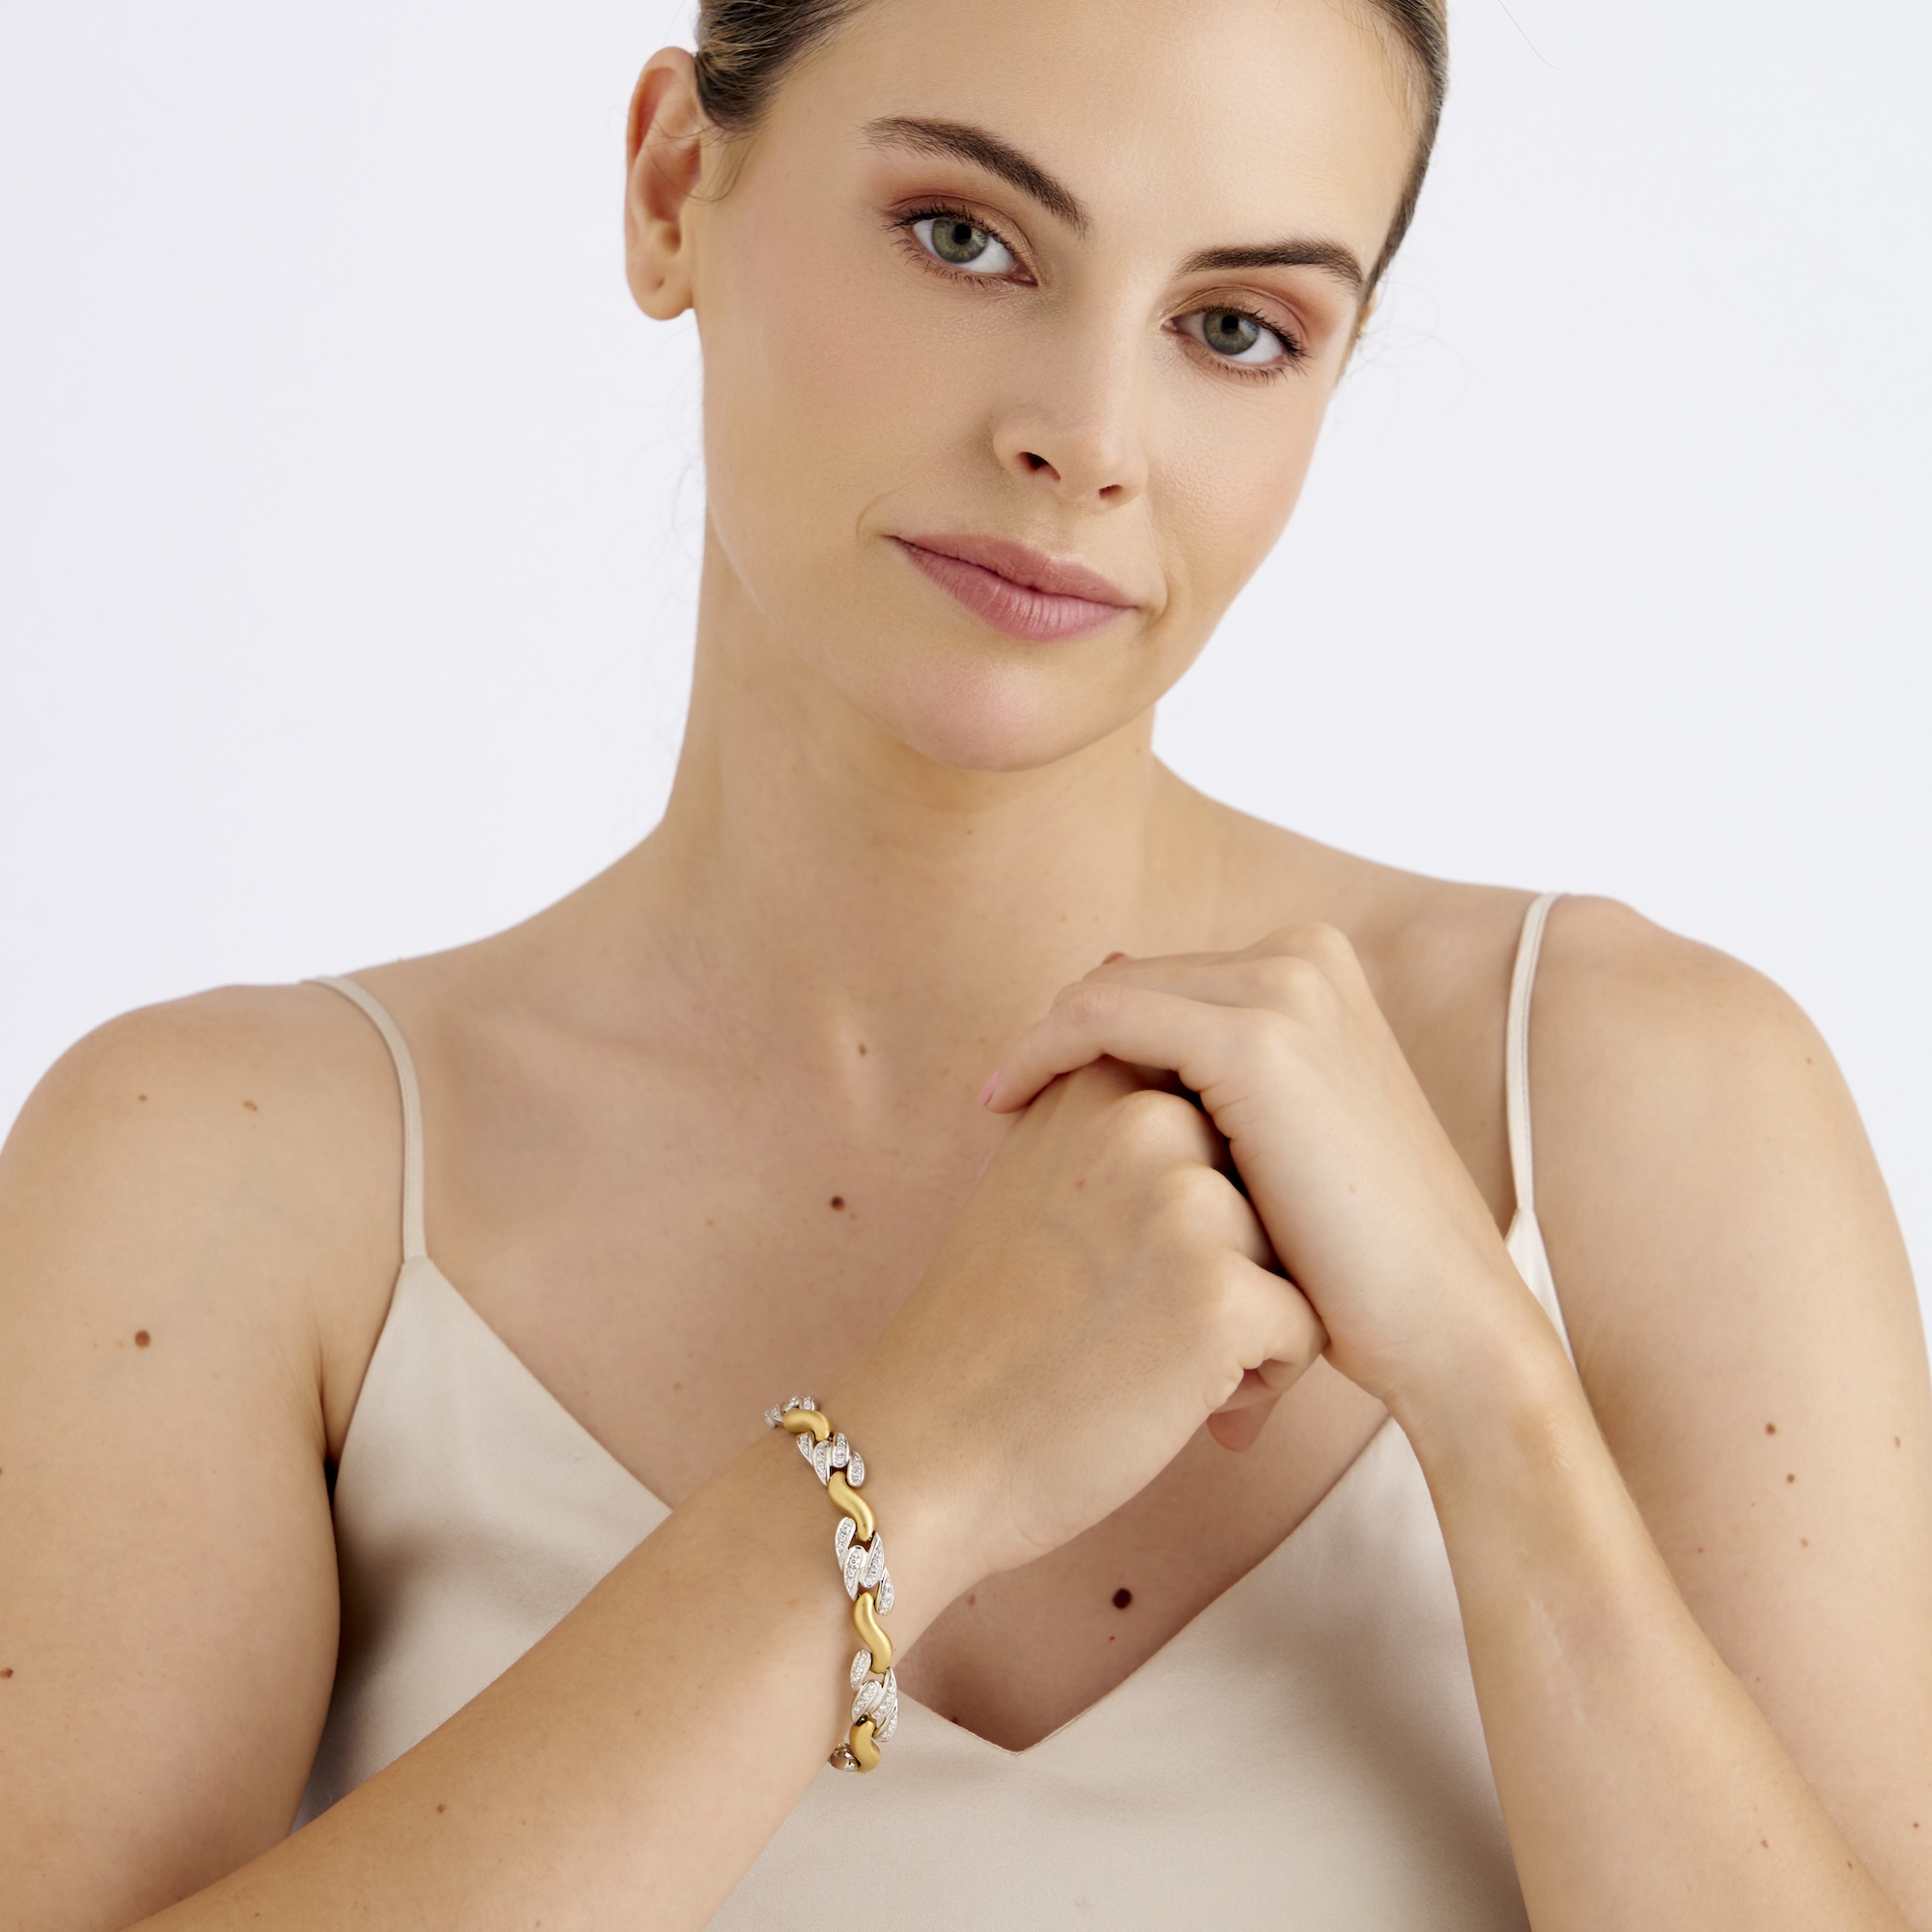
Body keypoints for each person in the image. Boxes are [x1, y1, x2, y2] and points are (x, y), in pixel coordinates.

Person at [3, 0, 1928, 1924]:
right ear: (672, 188)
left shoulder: (1639, 1107)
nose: (1084, 441)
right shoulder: (231, 1169)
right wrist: (913, 1466)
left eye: (1235, 328)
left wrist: (1494, 1399)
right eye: (964, 236)